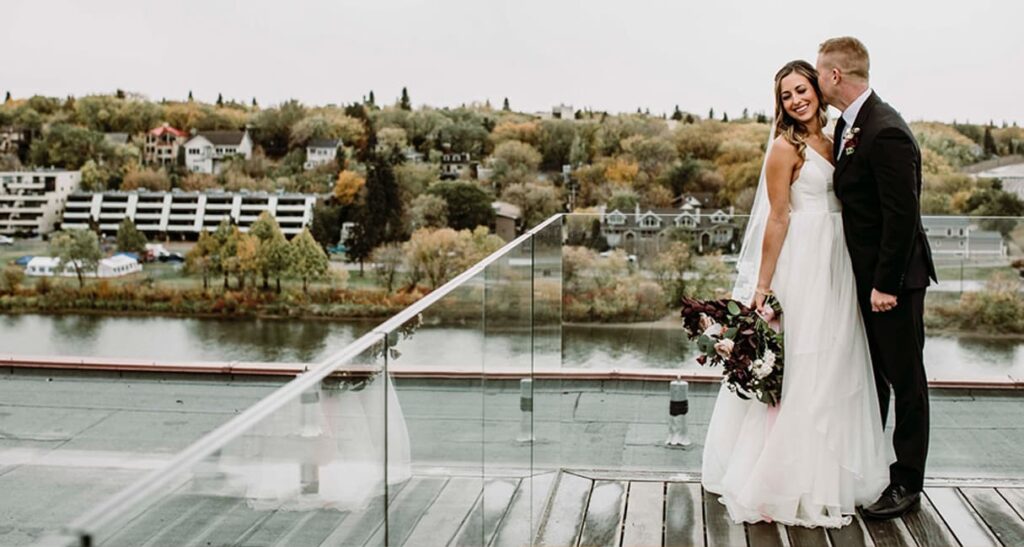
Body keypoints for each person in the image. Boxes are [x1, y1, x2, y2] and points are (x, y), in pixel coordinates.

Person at [702, 59, 892, 528]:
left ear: (817, 89)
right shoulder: (784, 149)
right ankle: (786, 477)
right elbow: (778, 217)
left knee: (837, 361)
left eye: (801, 89)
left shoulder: (837, 139)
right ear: (781, 104)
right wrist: (763, 287)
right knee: (803, 363)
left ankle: (833, 474)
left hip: (839, 263)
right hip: (803, 262)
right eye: (786, 95)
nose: (796, 100)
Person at [816, 36, 936, 519]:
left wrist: (885, 284)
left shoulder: (885, 130)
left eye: (820, 72)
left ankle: (907, 483)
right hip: (868, 280)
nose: (818, 79)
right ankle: (872, 469)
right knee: (875, 379)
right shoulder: (853, 125)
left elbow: (902, 215)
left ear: (836, 76)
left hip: (895, 284)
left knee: (907, 381)